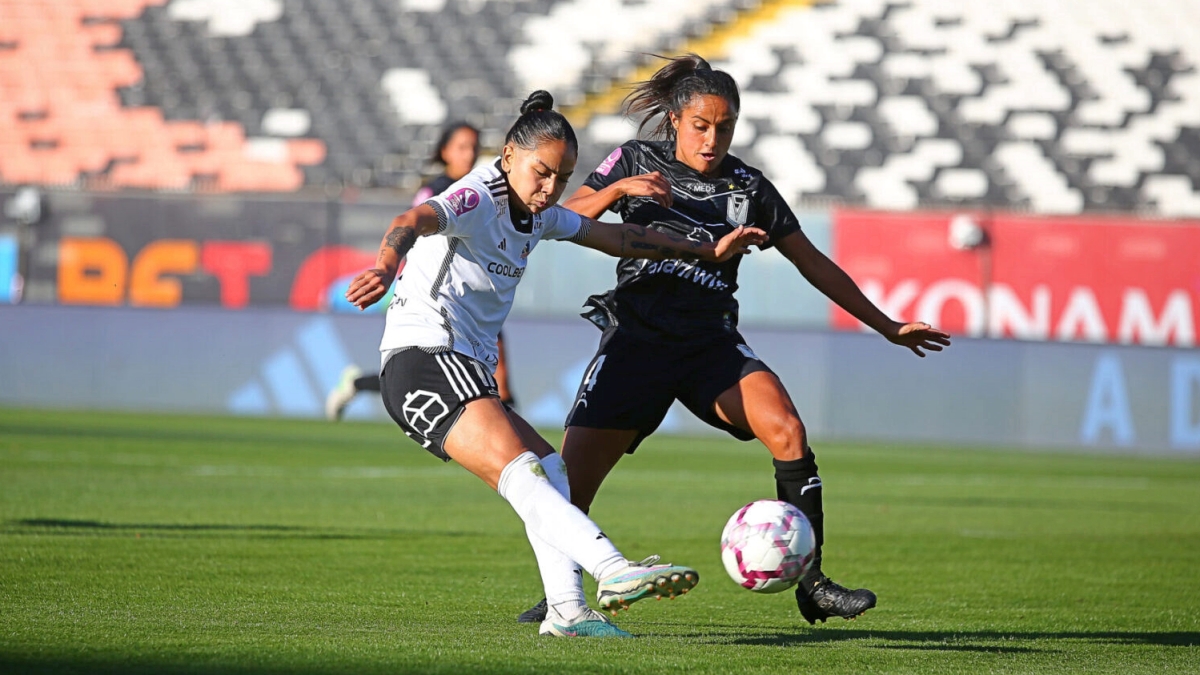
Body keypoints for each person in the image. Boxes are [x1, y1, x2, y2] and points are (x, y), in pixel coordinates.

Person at [516, 54, 951, 626]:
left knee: (788, 431)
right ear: (675, 119)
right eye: (701, 125)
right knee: (569, 489)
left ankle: (812, 581)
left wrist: (886, 325)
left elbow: (813, 263)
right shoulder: (635, 161)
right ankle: (559, 598)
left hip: (709, 348)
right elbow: (562, 218)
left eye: (725, 127)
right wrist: (619, 186)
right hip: (636, 345)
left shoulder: (748, 188)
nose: (712, 138)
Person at [344, 90, 768, 638]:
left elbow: (616, 237)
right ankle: (613, 570)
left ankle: (566, 611)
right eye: (541, 172)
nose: (549, 189)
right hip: (426, 356)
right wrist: (384, 264)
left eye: (562, 178)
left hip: (459, 366)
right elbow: (414, 217)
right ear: (508, 157)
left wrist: (705, 252)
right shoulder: (481, 194)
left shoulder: (536, 214)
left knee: (552, 468)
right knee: (521, 473)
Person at [326, 124, 518, 420]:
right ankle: (500, 418)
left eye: (474, 146)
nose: (470, 154)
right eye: (462, 147)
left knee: (441, 371)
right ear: (445, 151)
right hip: (436, 290)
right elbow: (414, 230)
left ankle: (498, 416)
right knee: (424, 368)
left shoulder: (484, 189)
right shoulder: (436, 191)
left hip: (473, 290)